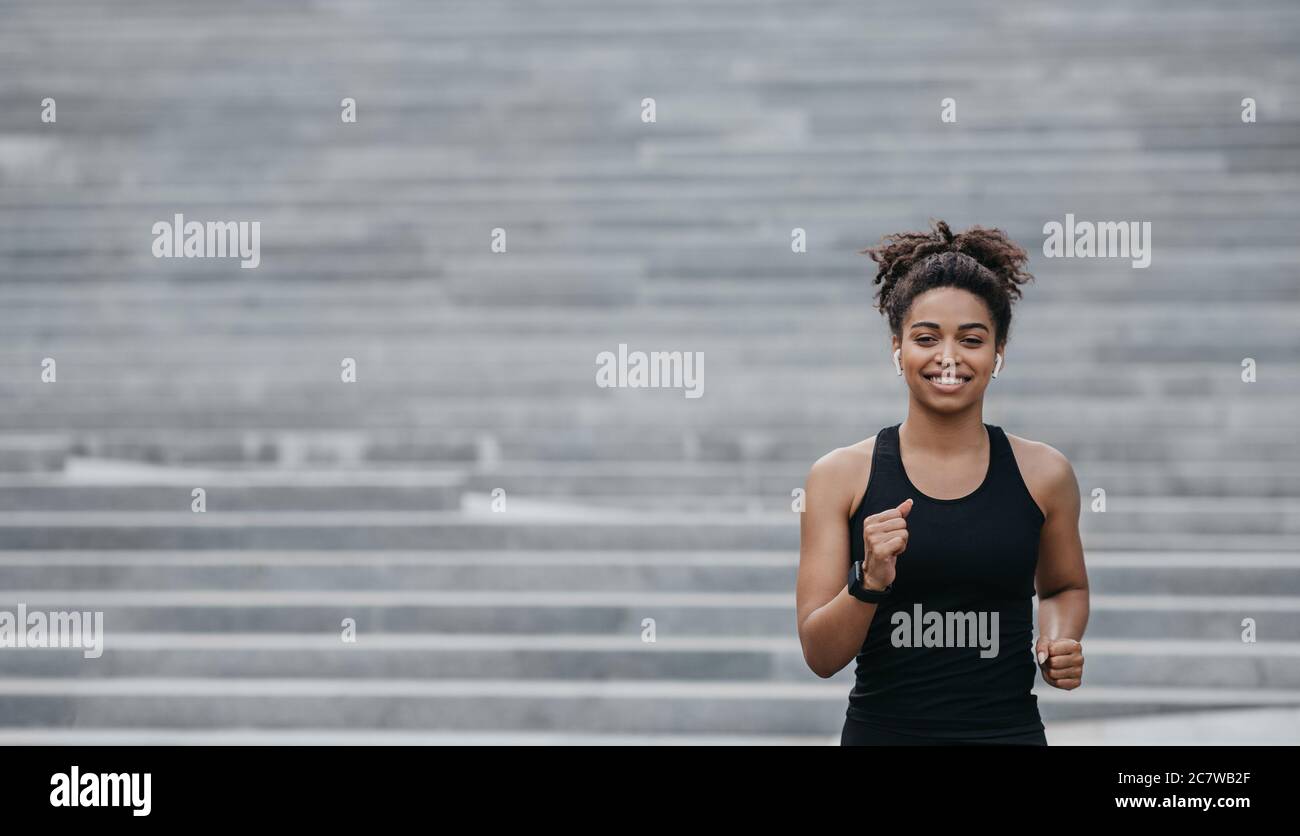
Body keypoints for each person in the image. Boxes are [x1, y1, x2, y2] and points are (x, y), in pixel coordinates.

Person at [796, 219, 1089, 745]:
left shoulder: (1045, 473)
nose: (948, 357)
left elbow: (1065, 586)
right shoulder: (839, 477)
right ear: (897, 348)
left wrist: (1059, 640)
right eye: (926, 337)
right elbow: (820, 656)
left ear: (998, 351)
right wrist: (869, 581)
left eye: (971, 339)